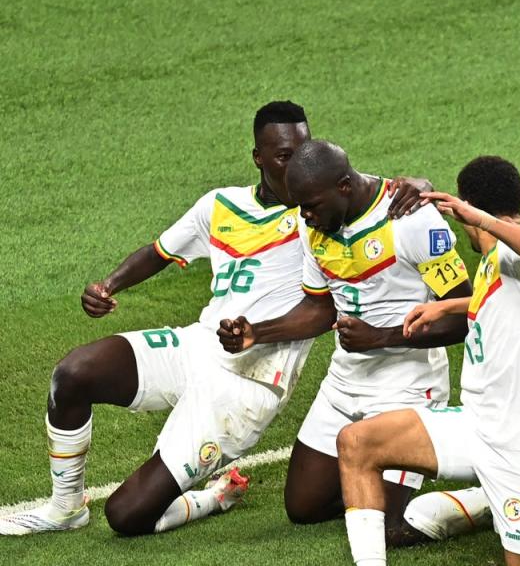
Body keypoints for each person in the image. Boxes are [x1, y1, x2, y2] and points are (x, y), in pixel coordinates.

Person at [0, 102, 429, 537]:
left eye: (302, 150)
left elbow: (369, 195)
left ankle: (214, 496)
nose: (297, 164)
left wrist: (417, 185)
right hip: (200, 346)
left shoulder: (320, 215)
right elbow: (159, 251)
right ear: (258, 157)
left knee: (126, 516)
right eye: (283, 155)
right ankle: (64, 508)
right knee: (74, 373)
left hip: (247, 384)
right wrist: (108, 285)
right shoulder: (220, 205)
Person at [217, 139, 472, 544]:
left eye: (313, 205)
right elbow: (320, 309)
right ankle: (373, 487)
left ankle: (483, 503)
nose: (306, 216)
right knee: (305, 509)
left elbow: (465, 316)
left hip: (405, 387)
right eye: (300, 207)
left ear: (345, 187)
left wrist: (380, 338)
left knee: (388, 527)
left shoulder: (410, 220)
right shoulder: (313, 220)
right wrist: (257, 333)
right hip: (345, 383)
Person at [334, 156, 520, 566]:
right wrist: (447, 307)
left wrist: (482, 219)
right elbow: (501, 300)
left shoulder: (519, 253)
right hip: (475, 425)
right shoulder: (495, 264)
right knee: (357, 442)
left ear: (470, 207)